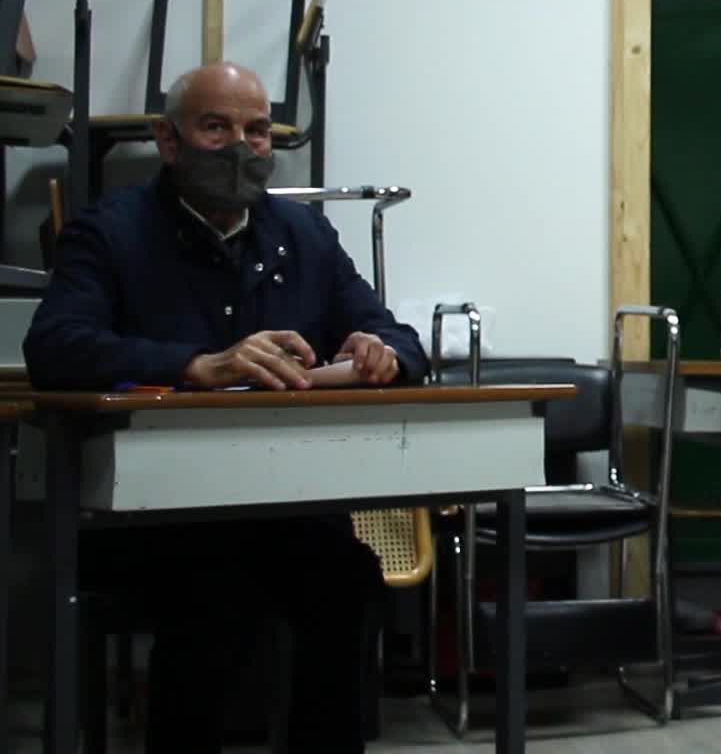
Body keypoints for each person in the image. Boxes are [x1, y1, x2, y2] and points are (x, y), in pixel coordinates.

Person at [25, 62, 428, 753]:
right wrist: (192, 365)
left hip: (283, 505)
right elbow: (55, 345)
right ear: (169, 140)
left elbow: (402, 340)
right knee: (212, 594)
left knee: (350, 581)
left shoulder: (305, 235)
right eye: (217, 127)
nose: (242, 147)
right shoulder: (110, 232)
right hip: (152, 517)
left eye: (257, 130)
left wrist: (380, 351)